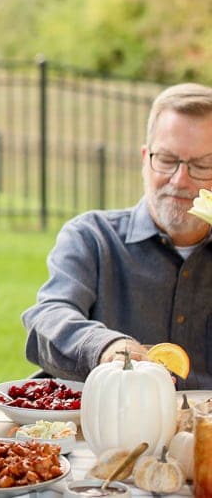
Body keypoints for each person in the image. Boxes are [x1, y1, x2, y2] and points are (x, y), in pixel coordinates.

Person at [23, 82, 212, 389]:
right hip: (107, 428)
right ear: (144, 157)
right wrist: (106, 348)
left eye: (201, 165)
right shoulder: (92, 238)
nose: (180, 180)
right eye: (165, 159)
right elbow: (49, 316)